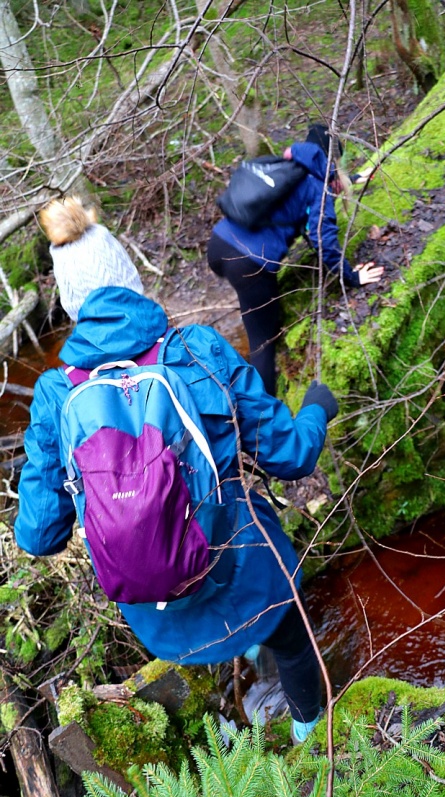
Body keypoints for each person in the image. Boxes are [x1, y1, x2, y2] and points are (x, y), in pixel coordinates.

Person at [14, 195, 339, 744]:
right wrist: (316, 409)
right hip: (247, 572)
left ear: (72, 303)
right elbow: (291, 456)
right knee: (294, 641)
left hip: (158, 612)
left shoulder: (55, 393)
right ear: (132, 280)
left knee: (209, 624)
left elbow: (38, 534)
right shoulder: (196, 349)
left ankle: (238, 712)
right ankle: (316, 742)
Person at [207, 123, 384, 396]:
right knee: (264, 342)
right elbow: (322, 239)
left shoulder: (289, 165)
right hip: (247, 261)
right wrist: (352, 276)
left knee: (264, 316)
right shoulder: (316, 185)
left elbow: (301, 195)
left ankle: (241, 372)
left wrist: (356, 177)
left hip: (219, 244)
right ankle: (264, 419)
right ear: (332, 156)